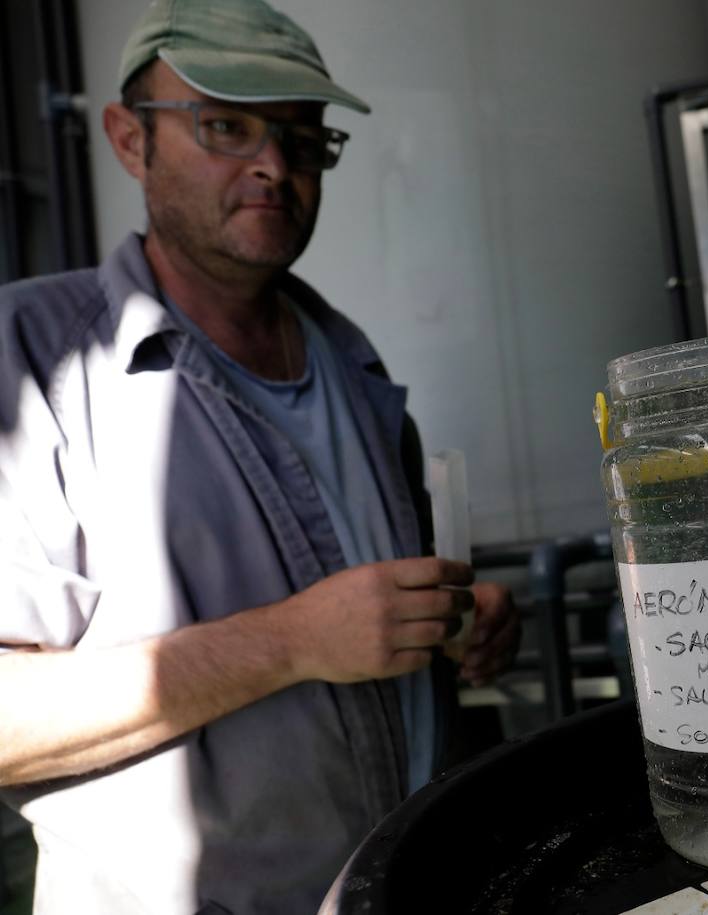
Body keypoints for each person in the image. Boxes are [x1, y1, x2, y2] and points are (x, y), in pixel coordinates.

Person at [0, 1, 520, 911]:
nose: (272, 166)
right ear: (130, 139)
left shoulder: (353, 366)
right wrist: (289, 642)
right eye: (226, 125)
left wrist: (449, 627)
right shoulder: (35, 360)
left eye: (301, 136)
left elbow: (359, 634)